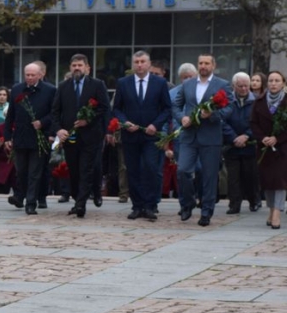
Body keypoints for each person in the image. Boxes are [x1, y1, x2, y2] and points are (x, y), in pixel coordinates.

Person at [172, 54, 234, 226]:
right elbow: (176, 105)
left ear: (213, 65)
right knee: (183, 170)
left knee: (208, 175)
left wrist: (213, 115)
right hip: (189, 135)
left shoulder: (222, 85)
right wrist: (181, 117)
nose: (203, 66)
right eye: (200, 63)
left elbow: (229, 107)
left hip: (211, 136)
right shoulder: (188, 84)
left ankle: (206, 211)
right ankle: (187, 203)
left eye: (207, 63)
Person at [112, 51, 172, 221]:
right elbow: (117, 108)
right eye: (136, 62)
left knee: (151, 168)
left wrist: (156, 125)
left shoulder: (159, 83)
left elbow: (167, 108)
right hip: (130, 135)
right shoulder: (123, 83)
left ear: (149, 63)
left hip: (151, 134)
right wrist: (124, 122)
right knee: (133, 170)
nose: (139, 65)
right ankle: (137, 206)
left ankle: (151, 205)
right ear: (133, 64)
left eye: (142, 61)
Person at [52, 53, 110, 218]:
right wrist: (58, 129)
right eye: (74, 65)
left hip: (91, 136)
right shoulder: (63, 86)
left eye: (80, 65)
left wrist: (88, 120)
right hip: (70, 137)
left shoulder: (97, 85)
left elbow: (104, 108)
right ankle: (78, 198)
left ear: (87, 68)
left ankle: (80, 204)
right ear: (70, 68)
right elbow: (55, 112)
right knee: (74, 170)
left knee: (86, 169)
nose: (77, 68)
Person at [5, 63, 55, 214]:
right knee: (21, 171)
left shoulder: (50, 90)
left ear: (40, 75)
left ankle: (31, 202)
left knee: (35, 171)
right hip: (20, 137)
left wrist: (43, 123)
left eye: (33, 75)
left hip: (39, 138)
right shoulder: (16, 89)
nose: (30, 77)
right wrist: (7, 136)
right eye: (27, 75)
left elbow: (55, 113)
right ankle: (23, 195)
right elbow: (11, 115)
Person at [250, 70, 287, 229]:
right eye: (271, 80)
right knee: (267, 180)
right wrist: (262, 137)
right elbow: (253, 123)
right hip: (264, 147)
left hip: (282, 148)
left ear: (283, 83)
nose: (273, 83)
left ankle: (278, 212)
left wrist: (277, 139)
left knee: (280, 180)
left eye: (277, 80)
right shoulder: (259, 101)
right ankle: (271, 209)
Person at [222, 72, 261, 215]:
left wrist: (246, 136)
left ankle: (254, 200)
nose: (244, 89)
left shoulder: (257, 100)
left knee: (250, 174)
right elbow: (222, 121)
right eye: (240, 86)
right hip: (231, 145)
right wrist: (233, 137)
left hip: (250, 144)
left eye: (246, 86)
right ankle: (234, 204)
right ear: (234, 86)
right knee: (233, 177)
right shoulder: (227, 101)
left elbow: (259, 122)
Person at [0, 87, 15, 194]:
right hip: (0, 147)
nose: (2, 97)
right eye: (0, 94)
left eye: (4, 95)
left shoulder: (10, 108)